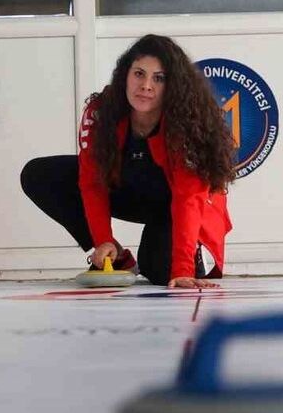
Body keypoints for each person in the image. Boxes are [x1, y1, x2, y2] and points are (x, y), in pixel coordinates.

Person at [21, 35, 235, 288]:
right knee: (39, 174)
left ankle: (190, 254)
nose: (146, 85)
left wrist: (183, 268)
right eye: (139, 74)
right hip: (128, 189)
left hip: (173, 204)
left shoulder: (187, 122)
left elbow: (188, 198)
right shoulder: (102, 111)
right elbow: (91, 182)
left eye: (159, 78)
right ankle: (118, 257)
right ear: (125, 75)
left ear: (173, 85)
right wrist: (103, 240)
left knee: (161, 272)